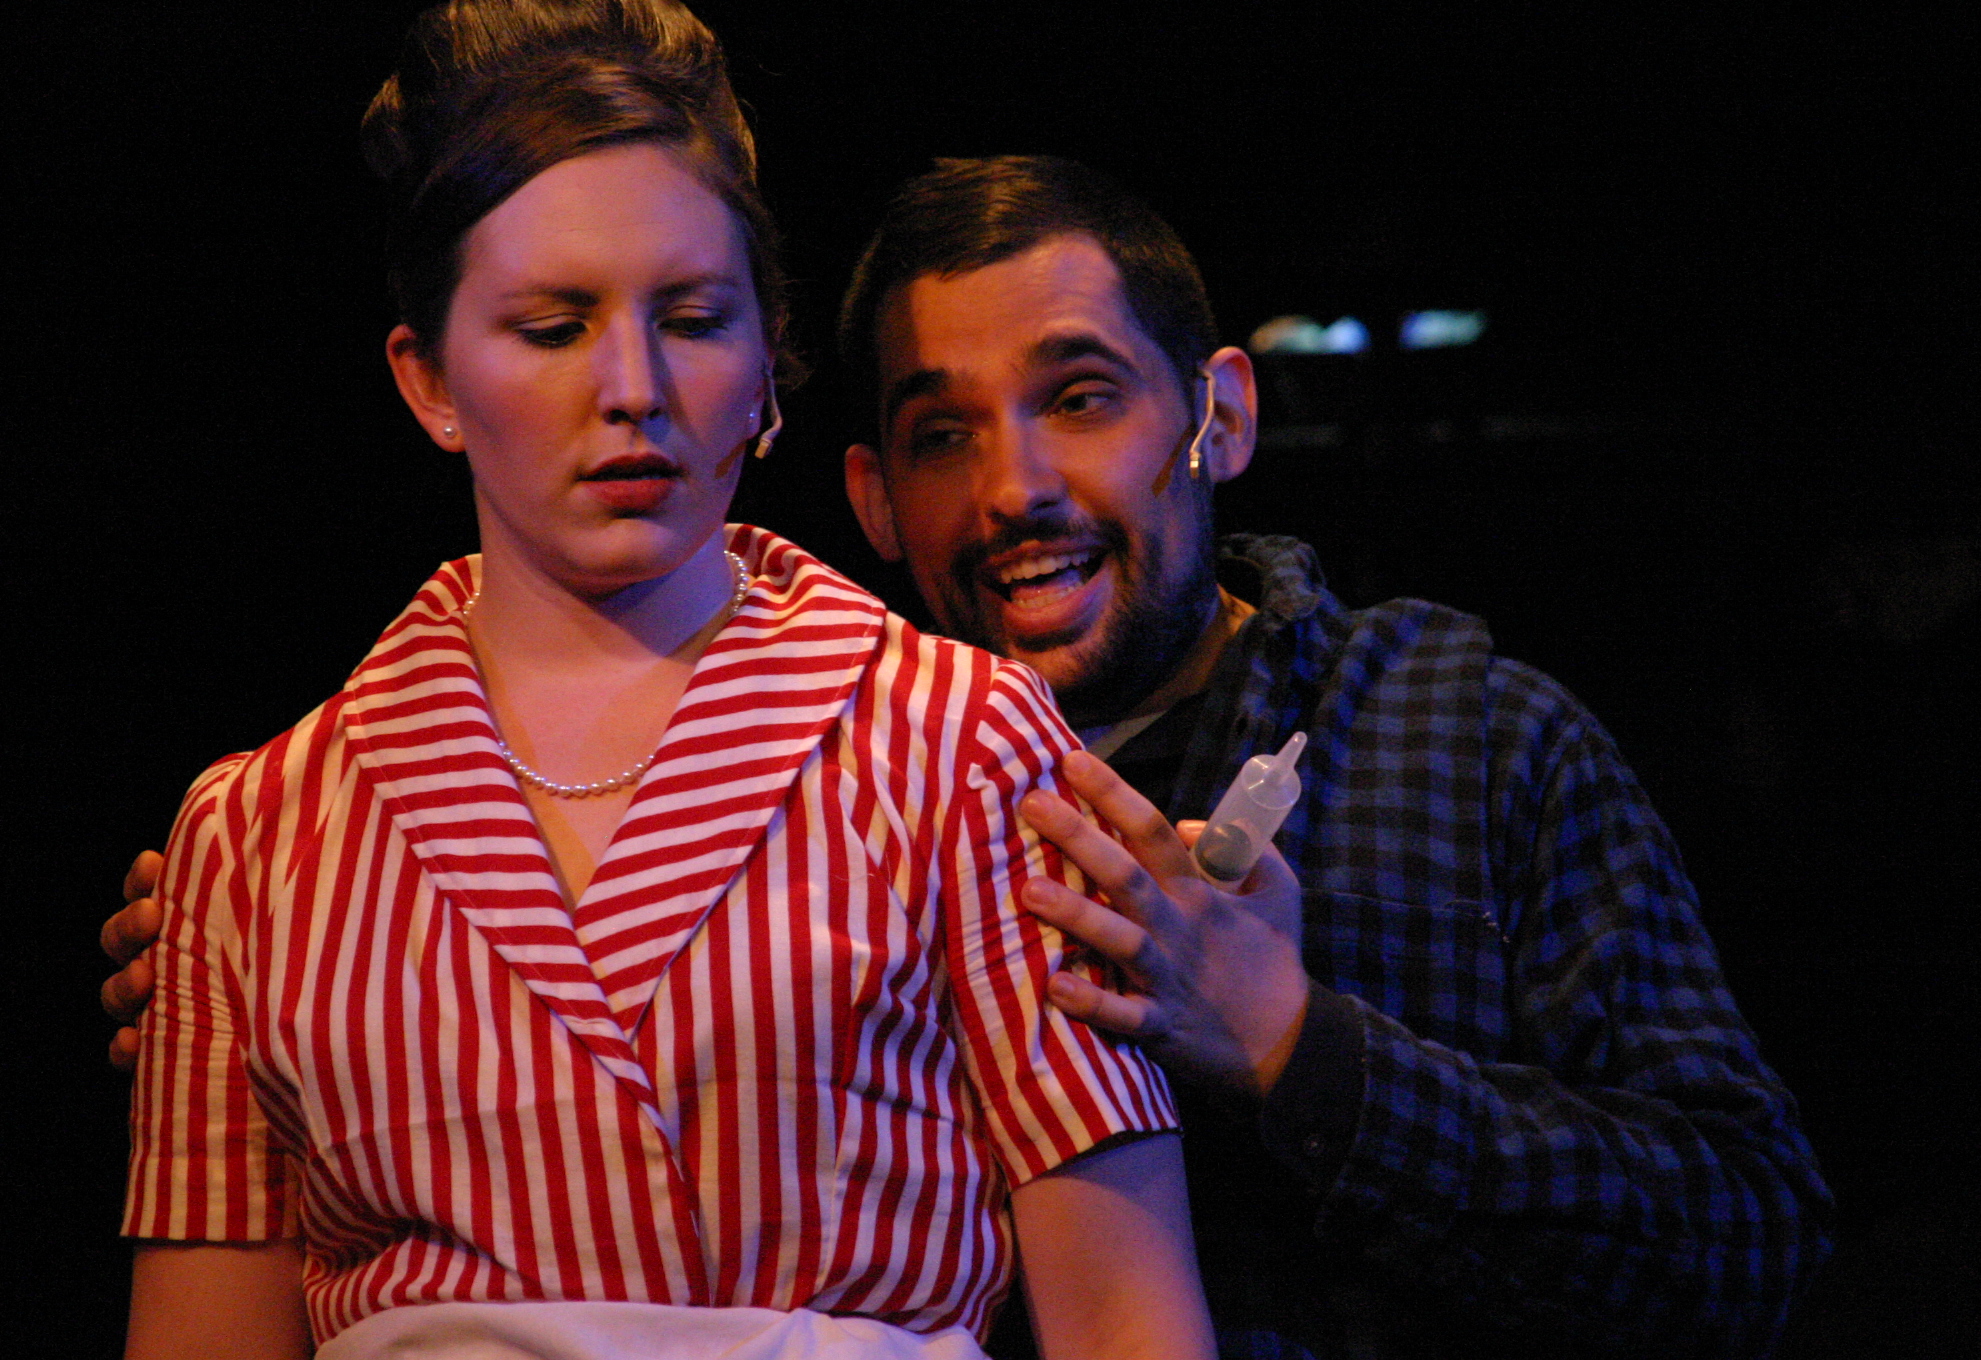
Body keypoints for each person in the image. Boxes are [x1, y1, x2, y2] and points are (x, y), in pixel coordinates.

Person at [101, 143, 1831, 1356]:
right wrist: (331, 965)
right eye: (943, 436)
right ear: (867, 495)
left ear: (1218, 415)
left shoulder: (1457, 737)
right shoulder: (869, 767)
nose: (1015, 490)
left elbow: (1754, 1241)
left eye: (1081, 398)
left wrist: (1299, 1048)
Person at [114, 9, 1212, 1358]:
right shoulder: (255, 837)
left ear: (766, 366)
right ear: (430, 379)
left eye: (693, 320)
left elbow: (1127, 1319)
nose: (632, 387)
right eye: (552, 327)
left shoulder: (961, 742)